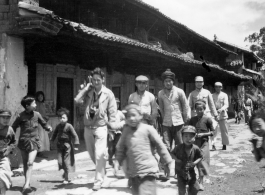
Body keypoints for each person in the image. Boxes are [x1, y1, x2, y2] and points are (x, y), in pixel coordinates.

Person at [74, 67, 117, 191]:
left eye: (98, 80)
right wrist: (85, 88)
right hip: (88, 126)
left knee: (99, 154)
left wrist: (112, 131)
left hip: (101, 126)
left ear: (103, 80)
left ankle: (98, 181)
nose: (96, 82)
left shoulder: (108, 94)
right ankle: (102, 171)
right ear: (91, 80)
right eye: (94, 80)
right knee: (92, 154)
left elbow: (113, 113)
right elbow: (77, 101)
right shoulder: (88, 92)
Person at [116, 104, 172, 195]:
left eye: (134, 115)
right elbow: (121, 148)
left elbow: (160, 146)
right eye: (128, 116)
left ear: (140, 116)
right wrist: (117, 162)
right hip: (134, 173)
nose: (131, 118)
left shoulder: (148, 129)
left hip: (148, 171)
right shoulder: (126, 131)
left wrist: (167, 161)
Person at [12, 96, 52, 193]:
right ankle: (27, 183)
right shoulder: (20, 116)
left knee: (30, 162)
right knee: (26, 164)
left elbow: (44, 124)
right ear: (27, 106)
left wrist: (48, 128)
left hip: (34, 141)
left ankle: (26, 185)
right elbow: (13, 127)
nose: (36, 105)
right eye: (34, 103)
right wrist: (11, 140)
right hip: (23, 142)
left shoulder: (37, 114)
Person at [158, 69, 189, 152]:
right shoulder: (160, 93)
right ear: (163, 82)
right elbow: (161, 108)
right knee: (166, 145)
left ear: (173, 81)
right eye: (166, 81)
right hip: (166, 124)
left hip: (178, 122)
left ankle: (181, 164)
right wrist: (164, 120)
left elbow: (185, 106)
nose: (168, 83)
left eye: (170, 81)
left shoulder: (179, 91)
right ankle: (166, 164)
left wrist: (185, 119)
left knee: (180, 144)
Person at [188, 100, 215, 190]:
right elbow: (188, 129)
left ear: (204, 109)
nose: (199, 111)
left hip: (204, 143)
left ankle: (201, 182)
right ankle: (194, 180)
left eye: (201, 109)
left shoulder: (207, 119)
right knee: (194, 162)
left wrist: (203, 134)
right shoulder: (192, 119)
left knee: (202, 162)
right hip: (194, 144)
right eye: (197, 109)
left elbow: (212, 132)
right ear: (195, 110)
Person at [50, 108, 79, 184]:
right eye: (60, 118)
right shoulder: (58, 126)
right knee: (60, 162)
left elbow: (75, 135)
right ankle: (65, 172)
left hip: (67, 145)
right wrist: (51, 140)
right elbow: (54, 134)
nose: (62, 119)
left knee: (66, 162)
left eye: (64, 118)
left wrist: (76, 144)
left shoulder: (69, 126)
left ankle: (66, 177)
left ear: (67, 118)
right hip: (59, 145)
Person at [171, 126, 203, 195]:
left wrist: (194, 163)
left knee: (195, 188)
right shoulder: (178, 147)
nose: (188, 138)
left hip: (191, 172)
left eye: (191, 136)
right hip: (180, 173)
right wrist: (176, 159)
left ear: (194, 138)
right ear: (182, 137)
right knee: (181, 190)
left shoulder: (195, 148)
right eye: (186, 136)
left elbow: (200, 157)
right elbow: (172, 154)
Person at [107, 98, 125, 178]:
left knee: (118, 147)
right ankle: (110, 158)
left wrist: (121, 125)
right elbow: (105, 122)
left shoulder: (120, 113)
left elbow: (124, 120)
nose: (115, 106)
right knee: (111, 148)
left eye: (117, 104)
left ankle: (117, 163)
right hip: (110, 132)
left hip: (118, 132)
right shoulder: (108, 114)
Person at [0, 109, 16, 195]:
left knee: (3, 176)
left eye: (8, 118)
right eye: (3, 117)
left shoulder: (10, 129)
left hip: (3, 157)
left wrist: (9, 148)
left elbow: (13, 141)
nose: (5, 120)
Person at [212, 82, 229, 150]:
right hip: (214, 115)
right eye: (216, 87)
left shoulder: (224, 95)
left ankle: (224, 144)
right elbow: (210, 104)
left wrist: (221, 109)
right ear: (214, 87)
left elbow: (226, 104)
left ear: (221, 87)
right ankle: (213, 144)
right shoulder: (211, 95)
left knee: (224, 130)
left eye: (219, 87)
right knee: (213, 130)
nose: (218, 88)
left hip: (222, 114)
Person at [35, 91, 50, 158]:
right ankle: (39, 151)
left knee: (43, 136)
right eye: (39, 96)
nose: (40, 97)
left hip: (43, 122)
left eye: (41, 96)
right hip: (38, 122)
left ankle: (41, 151)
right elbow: (37, 114)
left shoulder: (43, 104)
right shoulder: (36, 104)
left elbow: (44, 113)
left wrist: (46, 117)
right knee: (40, 137)